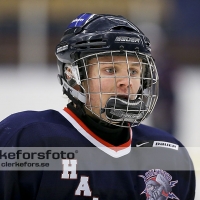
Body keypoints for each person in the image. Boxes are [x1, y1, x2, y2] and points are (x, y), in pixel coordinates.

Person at [0, 13, 195, 200]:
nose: (126, 82)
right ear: (73, 76)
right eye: (110, 70)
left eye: (134, 71)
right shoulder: (26, 140)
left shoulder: (169, 156)